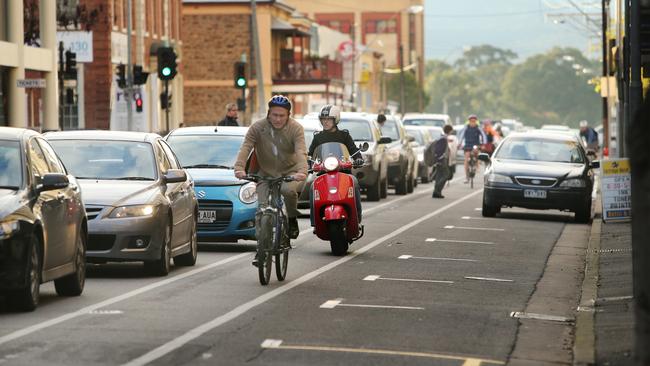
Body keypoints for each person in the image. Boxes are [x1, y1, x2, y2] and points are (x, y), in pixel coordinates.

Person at [234, 95, 307, 251]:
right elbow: (246, 147)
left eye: (282, 116)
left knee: (288, 191)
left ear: (288, 115)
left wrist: (302, 171)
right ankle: (262, 248)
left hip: (290, 171)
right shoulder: (257, 127)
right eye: (274, 115)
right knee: (261, 209)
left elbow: (300, 151)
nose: (278, 119)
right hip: (265, 173)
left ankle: (291, 219)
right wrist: (239, 168)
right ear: (269, 113)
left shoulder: (296, 128)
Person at [308, 104, 363, 224]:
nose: (325, 122)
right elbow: (310, 154)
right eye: (323, 119)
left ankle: (357, 216)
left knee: (355, 182)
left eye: (328, 119)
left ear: (336, 119)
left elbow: (353, 150)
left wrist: (358, 158)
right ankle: (314, 221)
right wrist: (307, 164)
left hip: (344, 172)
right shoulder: (318, 137)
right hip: (323, 173)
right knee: (313, 187)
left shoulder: (344, 135)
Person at [457, 115, 487, 183]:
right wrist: (459, 144)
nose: (473, 123)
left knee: (476, 151)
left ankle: (476, 164)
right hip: (468, 144)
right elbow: (461, 136)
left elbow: (484, 136)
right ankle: (466, 177)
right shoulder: (466, 128)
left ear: (476, 122)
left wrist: (484, 144)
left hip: (476, 144)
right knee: (466, 158)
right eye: (471, 121)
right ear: (469, 121)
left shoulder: (478, 128)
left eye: (474, 121)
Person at [426, 125, 452, 198]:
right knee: (446, 174)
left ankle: (437, 192)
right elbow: (440, 151)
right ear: (449, 131)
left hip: (439, 160)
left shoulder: (442, 137)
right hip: (442, 160)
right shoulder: (443, 139)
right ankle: (437, 190)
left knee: (439, 175)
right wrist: (439, 159)